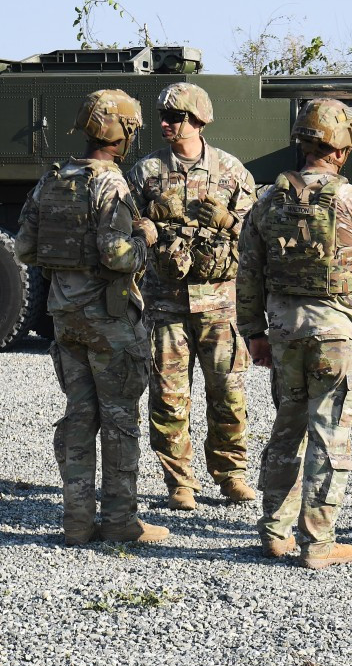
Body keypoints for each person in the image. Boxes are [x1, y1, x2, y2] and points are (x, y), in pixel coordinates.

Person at [238, 98, 352, 570]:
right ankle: (317, 544)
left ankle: (274, 532)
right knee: (329, 435)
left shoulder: (266, 201)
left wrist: (253, 333)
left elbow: (247, 273)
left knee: (286, 429)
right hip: (335, 336)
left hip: (284, 334)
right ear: (342, 148)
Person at [15, 89, 168, 546]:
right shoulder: (111, 184)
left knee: (80, 416)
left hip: (66, 318)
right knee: (120, 419)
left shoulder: (51, 181)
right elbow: (117, 255)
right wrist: (148, 240)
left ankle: (76, 522)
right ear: (123, 133)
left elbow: (24, 248)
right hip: (109, 319)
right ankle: (121, 520)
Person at [126, 82, 257, 511]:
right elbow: (122, 229)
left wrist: (229, 221)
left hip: (220, 304)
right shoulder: (145, 173)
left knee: (229, 395)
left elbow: (259, 238)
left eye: (175, 116)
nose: (165, 123)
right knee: (168, 397)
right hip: (166, 303)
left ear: (198, 119)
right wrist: (146, 223)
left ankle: (232, 474)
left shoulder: (231, 172)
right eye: (163, 116)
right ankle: (180, 482)